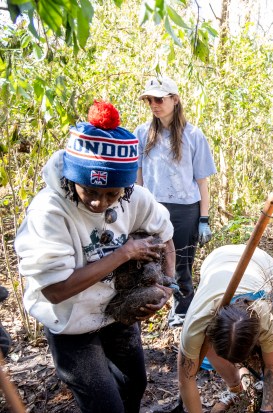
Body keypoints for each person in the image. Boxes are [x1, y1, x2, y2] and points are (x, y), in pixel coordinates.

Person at [14, 101, 176, 413]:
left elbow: (165, 234)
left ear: (125, 187)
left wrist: (165, 287)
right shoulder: (49, 211)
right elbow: (55, 290)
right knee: (104, 405)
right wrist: (124, 253)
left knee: (135, 385)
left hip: (115, 312)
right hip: (70, 322)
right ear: (72, 177)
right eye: (90, 191)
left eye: (112, 195)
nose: (99, 203)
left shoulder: (135, 197)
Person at [135, 75, 217, 328]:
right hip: (152, 207)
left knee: (181, 262)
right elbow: (138, 176)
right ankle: (147, 305)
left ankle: (183, 309)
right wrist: (136, 210)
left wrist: (203, 219)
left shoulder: (193, 135)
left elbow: (202, 182)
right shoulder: (141, 133)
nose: (154, 104)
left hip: (185, 209)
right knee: (149, 261)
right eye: (149, 100)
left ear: (175, 99)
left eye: (159, 99)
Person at [177, 245, 273, 413]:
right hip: (217, 260)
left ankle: (255, 382)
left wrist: (266, 409)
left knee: (270, 355)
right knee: (204, 345)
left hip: (261, 262)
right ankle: (236, 389)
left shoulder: (266, 316)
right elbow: (186, 378)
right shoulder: (197, 323)